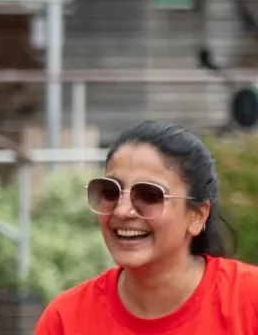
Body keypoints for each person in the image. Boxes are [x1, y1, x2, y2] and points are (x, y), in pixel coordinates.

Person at [36, 121, 258, 334]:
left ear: (197, 216)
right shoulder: (66, 319)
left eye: (150, 195)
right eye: (110, 191)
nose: (122, 211)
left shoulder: (250, 300)